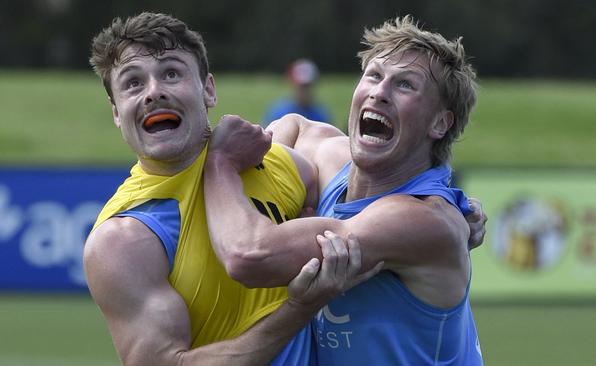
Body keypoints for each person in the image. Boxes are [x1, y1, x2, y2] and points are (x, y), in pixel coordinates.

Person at [82, 12, 381, 366]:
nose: (153, 92)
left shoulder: (277, 164)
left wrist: (445, 207)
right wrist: (300, 307)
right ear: (117, 112)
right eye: (133, 83)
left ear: (208, 89)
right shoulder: (123, 239)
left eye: (171, 73)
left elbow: (334, 180)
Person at [204, 15, 484, 365]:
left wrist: (220, 164)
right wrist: (288, 191)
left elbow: (248, 256)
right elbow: (295, 126)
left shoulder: (423, 219)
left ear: (440, 123)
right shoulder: (334, 163)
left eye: (405, 85)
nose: (380, 92)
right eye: (374, 75)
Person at [262, 58, 332, 127]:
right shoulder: (279, 113)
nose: (305, 91)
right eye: (301, 86)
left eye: (308, 86)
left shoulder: (321, 114)